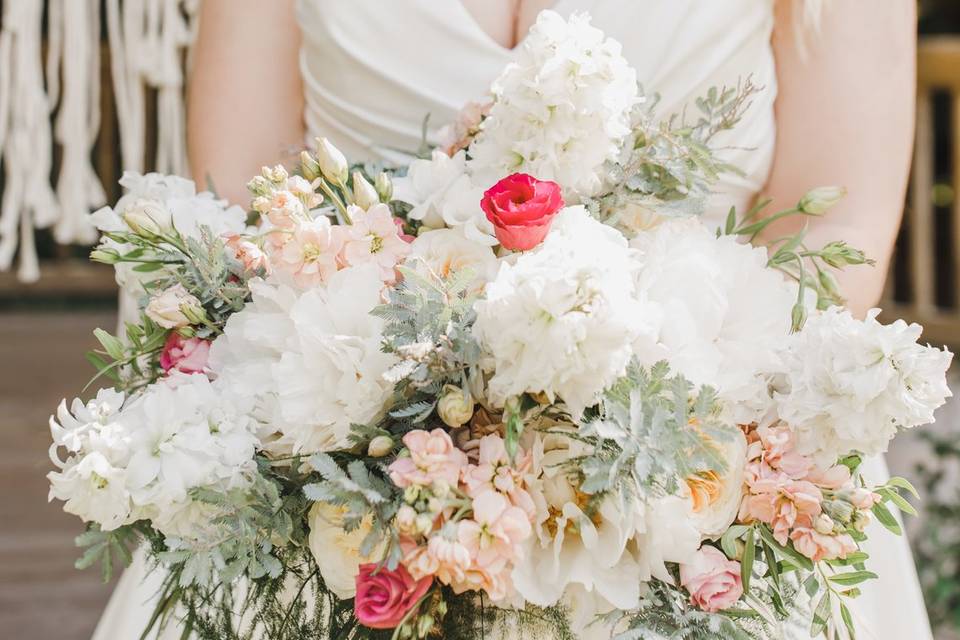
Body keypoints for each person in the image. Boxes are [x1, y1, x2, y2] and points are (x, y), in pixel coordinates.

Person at [94, 1, 925, 638]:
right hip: (347, 509)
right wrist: (430, 456)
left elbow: (834, 228)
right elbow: (249, 203)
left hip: (707, 494)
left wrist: (620, 450)